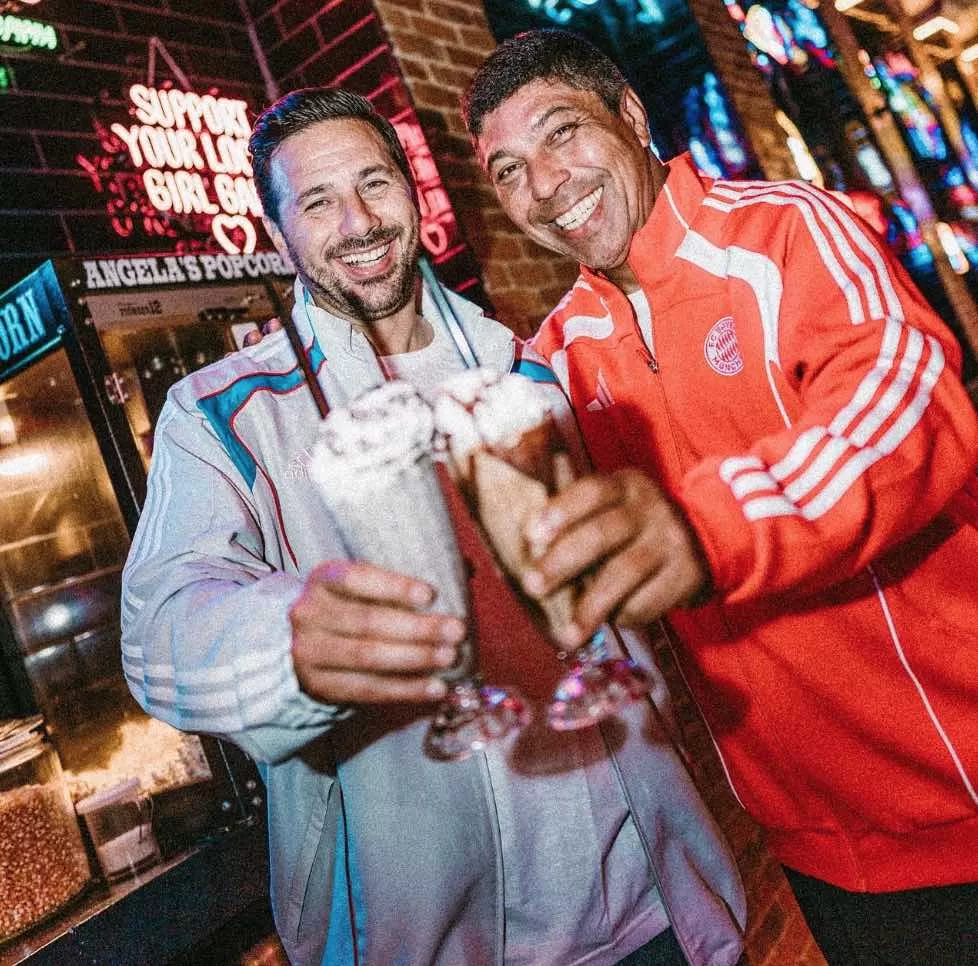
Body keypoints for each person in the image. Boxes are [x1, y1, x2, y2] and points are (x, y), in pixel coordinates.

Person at [121, 87, 747, 966]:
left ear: (412, 192)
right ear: (278, 235)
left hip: (651, 901)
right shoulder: (224, 414)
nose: (359, 222)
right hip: (433, 938)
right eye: (318, 202)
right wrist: (285, 641)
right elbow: (160, 630)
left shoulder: (527, 370)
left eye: (374, 184)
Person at [462, 28, 978, 966]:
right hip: (813, 841)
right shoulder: (556, 358)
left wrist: (707, 527)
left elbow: (907, 403)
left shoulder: (783, 230)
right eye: (509, 171)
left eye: (563, 133)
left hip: (960, 792)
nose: (544, 185)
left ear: (630, 116)